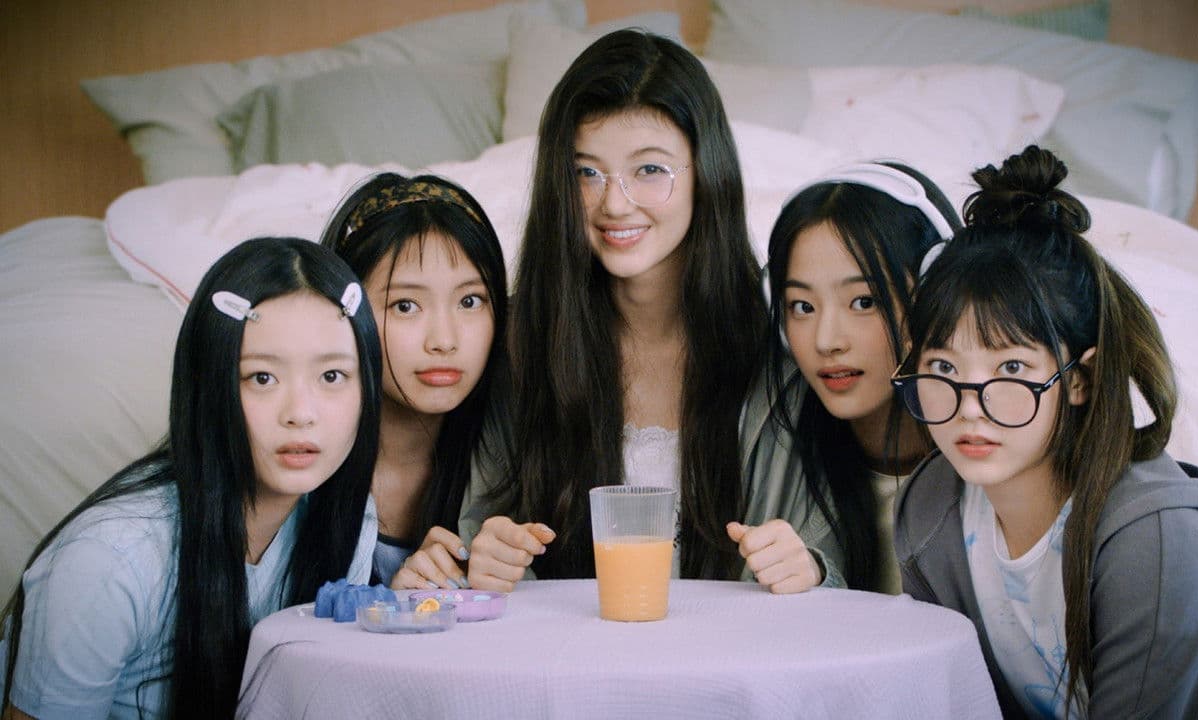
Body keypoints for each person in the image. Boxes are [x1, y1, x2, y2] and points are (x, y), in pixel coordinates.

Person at [892, 146, 1198, 718]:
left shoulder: (1157, 545)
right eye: (944, 368)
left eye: (1011, 368)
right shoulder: (930, 506)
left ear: (1081, 378)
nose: (969, 408)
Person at [464, 29, 822, 594]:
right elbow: (473, 538)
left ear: (707, 173)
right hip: (567, 645)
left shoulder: (783, 344)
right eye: (586, 172)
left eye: (650, 170)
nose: (613, 202)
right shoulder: (517, 341)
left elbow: (829, 557)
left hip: (738, 646)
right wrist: (486, 560)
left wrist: (810, 568)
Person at [0, 237, 381, 720]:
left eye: (331, 377)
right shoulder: (107, 563)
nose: (301, 414)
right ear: (209, 388)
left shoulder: (348, 521)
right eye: (262, 378)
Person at [753, 162, 959, 593]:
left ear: (933, 298)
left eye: (864, 301)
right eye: (802, 307)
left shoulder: (992, 455)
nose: (827, 341)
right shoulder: (780, 454)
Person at [321, 173, 510, 590]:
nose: (444, 340)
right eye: (405, 305)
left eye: (470, 301)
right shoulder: (300, 458)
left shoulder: (512, 450)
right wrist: (393, 606)